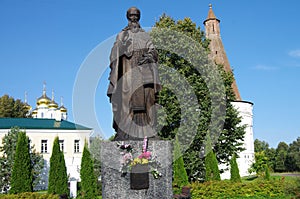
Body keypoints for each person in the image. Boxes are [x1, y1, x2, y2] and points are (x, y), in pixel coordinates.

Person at [107, 7, 161, 141]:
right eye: (131, 15)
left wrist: (149, 56)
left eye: (136, 15)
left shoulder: (145, 35)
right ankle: (124, 132)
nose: (134, 18)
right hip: (127, 70)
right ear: (127, 17)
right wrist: (122, 47)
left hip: (144, 71)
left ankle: (149, 132)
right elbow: (114, 54)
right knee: (125, 100)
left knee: (148, 100)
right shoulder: (122, 35)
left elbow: (153, 50)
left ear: (139, 17)